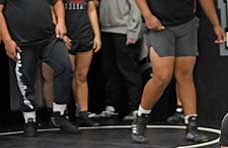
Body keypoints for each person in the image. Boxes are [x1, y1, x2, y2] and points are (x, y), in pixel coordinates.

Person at [131, 0, 226, 143]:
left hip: (186, 23)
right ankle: (141, 117)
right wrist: (147, 15)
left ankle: (192, 125)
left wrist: (216, 24)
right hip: (160, 24)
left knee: (185, 75)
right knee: (162, 76)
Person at [0, 0, 79, 136]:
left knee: (65, 67)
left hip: (48, 38)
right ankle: (30, 119)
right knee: (25, 79)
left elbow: (57, 2)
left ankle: (59, 113)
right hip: (21, 42)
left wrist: (61, 21)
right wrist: (7, 40)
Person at [96, 0, 144, 122]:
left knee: (129, 71)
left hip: (124, 31)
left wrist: (133, 31)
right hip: (106, 30)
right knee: (110, 70)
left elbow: (136, 6)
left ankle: (135, 109)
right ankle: (112, 107)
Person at [62, 0, 101, 127]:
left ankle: (83, 112)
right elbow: (55, 11)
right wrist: (62, 35)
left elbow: (91, 10)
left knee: (82, 76)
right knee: (67, 75)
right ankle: (64, 112)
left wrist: (97, 35)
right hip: (68, 35)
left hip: (84, 34)